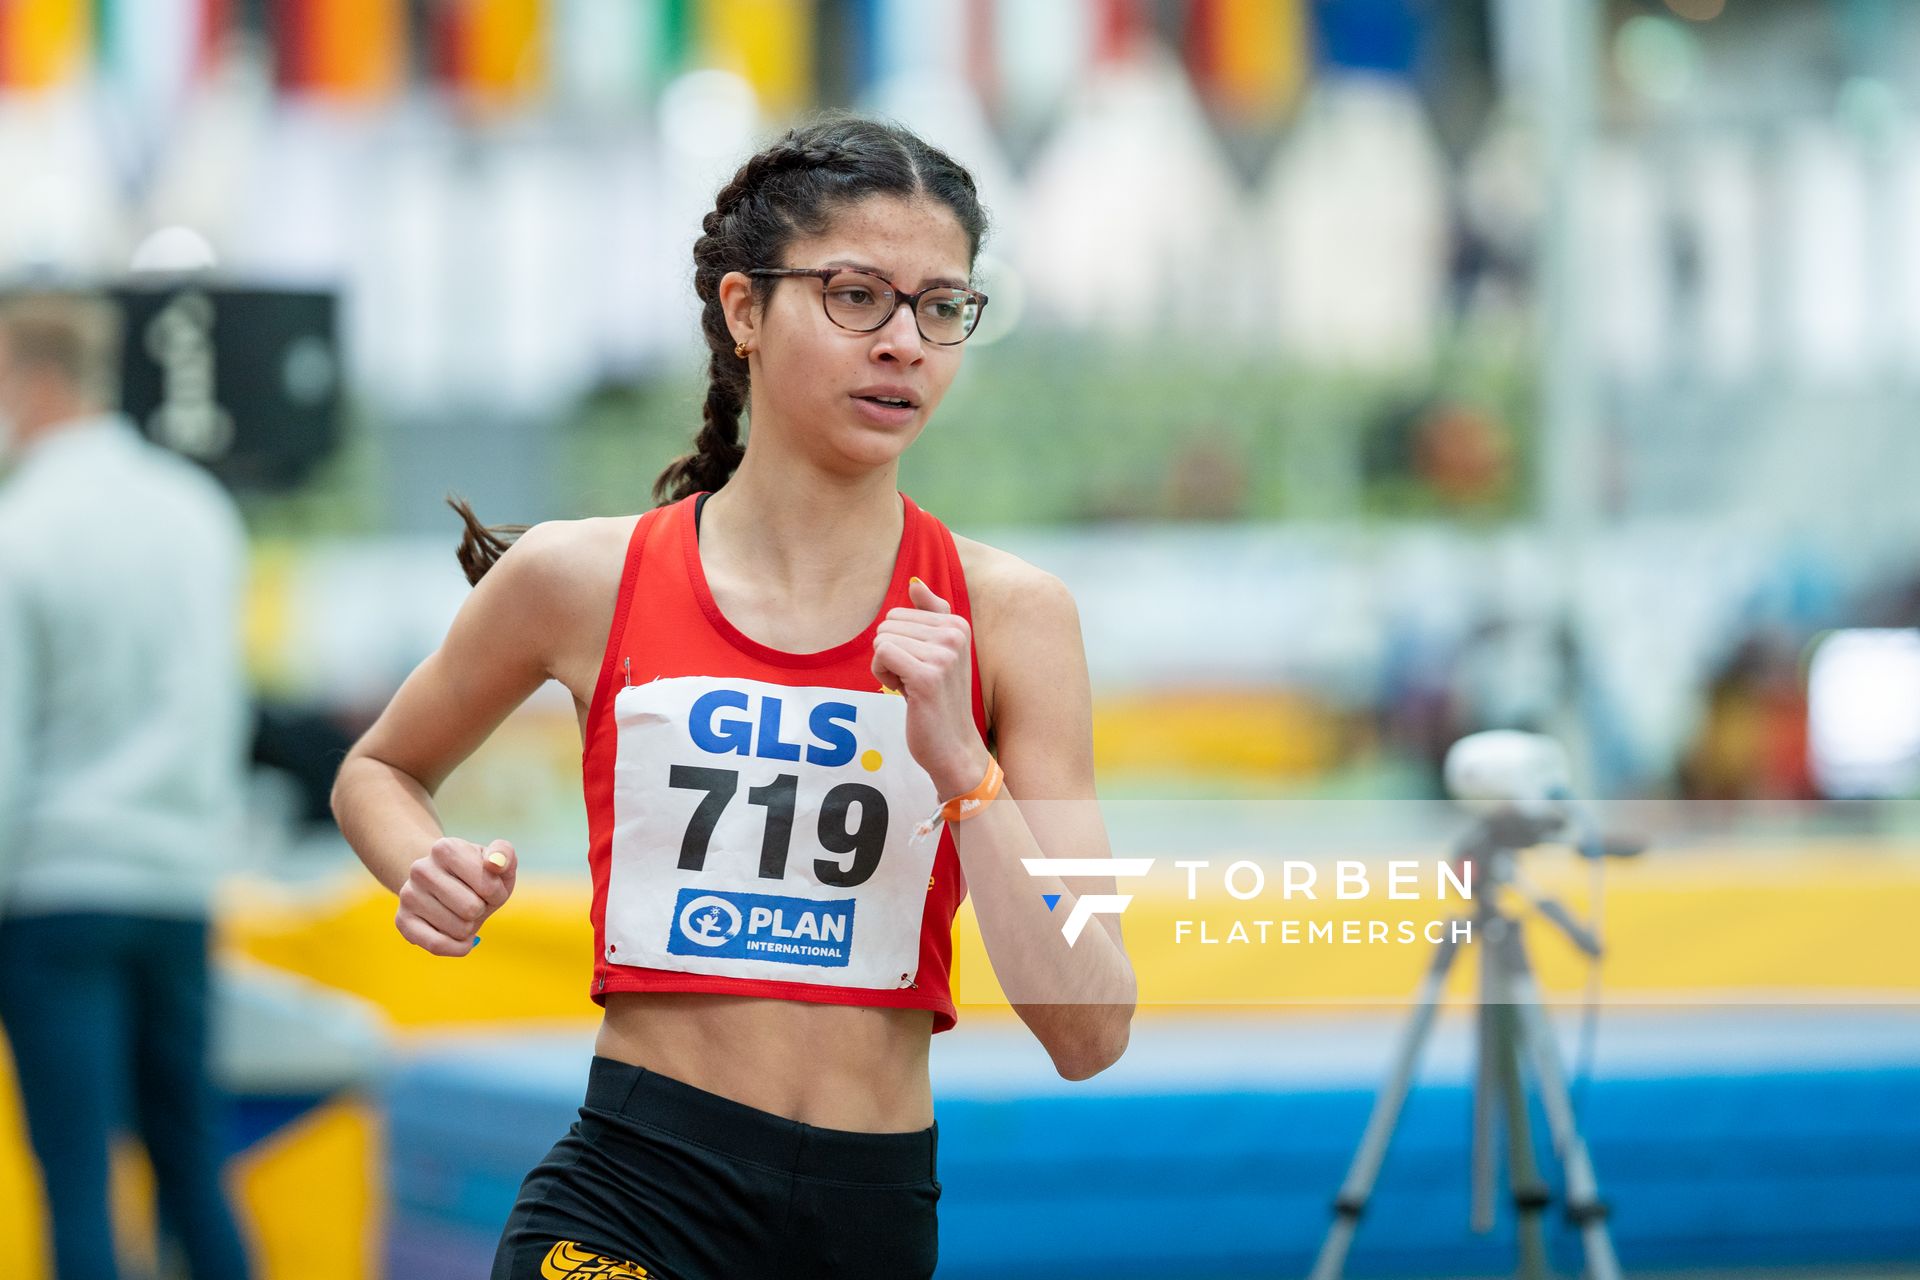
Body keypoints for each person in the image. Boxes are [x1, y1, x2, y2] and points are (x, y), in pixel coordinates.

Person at [330, 112, 1138, 1279]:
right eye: (857, 294)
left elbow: (1091, 1025)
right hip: (637, 1189)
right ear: (744, 310)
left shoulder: (1013, 619)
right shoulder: (583, 575)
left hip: (870, 1212)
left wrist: (966, 765)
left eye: (942, 306)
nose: (904, 342)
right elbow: (378, 769)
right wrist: (422, 861)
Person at [0, 290, 255, 1280]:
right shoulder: (197, 509)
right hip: (179, 881)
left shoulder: (21, 527)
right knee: (191, 1154)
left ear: (31, 378)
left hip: (56, 889)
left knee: (77, 1176)